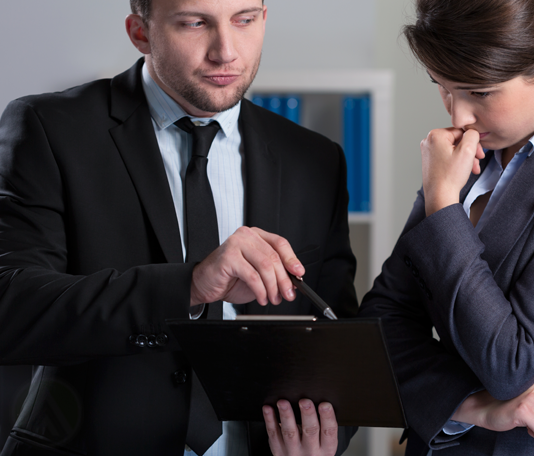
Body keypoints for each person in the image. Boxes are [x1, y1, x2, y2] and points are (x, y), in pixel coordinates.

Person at [0, 0, 358, 455]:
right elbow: (10, 308)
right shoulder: (49, 128)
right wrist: (189, 286)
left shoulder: (317, 159)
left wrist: (327, 437)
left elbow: (336, 334)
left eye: (244, 20)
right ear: (140, 32)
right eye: (195, 23)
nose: (226, 51)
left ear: (264, 20)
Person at [358, 0, 534, 454]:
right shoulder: (465, 159)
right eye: (443, 87)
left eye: (480, 92)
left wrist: (441, 204)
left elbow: (514, 362)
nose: (459, 117)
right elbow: (379, 324)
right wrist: (468, 404)